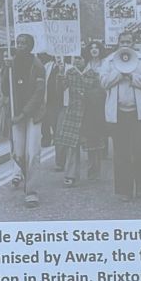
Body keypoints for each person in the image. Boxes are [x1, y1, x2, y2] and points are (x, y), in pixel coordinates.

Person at [100, 31, 141, 201]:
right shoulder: (109, 61)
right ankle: (124, 190)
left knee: (139, 151)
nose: (125, 44)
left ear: (133, 44)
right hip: (118, 114)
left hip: (139, 114)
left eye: (128, 42)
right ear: (118, 43)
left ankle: (140, 184)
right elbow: (103, 82)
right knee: (121, 153)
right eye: (122, 41)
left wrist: (132, 76)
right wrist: (119, 73)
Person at [0, 33, 46, 207]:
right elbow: (5, 89)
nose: (20, 46)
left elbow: (38, 94)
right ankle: (28, 178)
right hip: (16, 113)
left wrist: (24, 113)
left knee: (32, 153)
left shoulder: (38, 65)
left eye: (24, 43)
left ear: (30, 46)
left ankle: (31, 191)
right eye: (18, 43)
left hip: (32, 114)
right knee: (18, 153)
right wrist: (6, 70)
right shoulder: (11, 64)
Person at [55, 56, 87, 186]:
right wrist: (60, 73)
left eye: (80, 58)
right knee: (72, 144)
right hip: (74, 111)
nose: (77, 61)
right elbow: (60, 89)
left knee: (93, 144)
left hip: (90, 112)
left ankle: (94, 171)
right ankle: (71, 174)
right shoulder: (70, 73)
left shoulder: (93, 73)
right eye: (75, 58)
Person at [81, 41, 108, 179]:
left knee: (99, 135)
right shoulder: (85, 64)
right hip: (88, 104)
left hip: (101, 103)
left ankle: (97, 166)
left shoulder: (105, 63)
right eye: (91, 48)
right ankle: (92, 167)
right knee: (90, 135)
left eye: (96, 48)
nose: (94, 50)